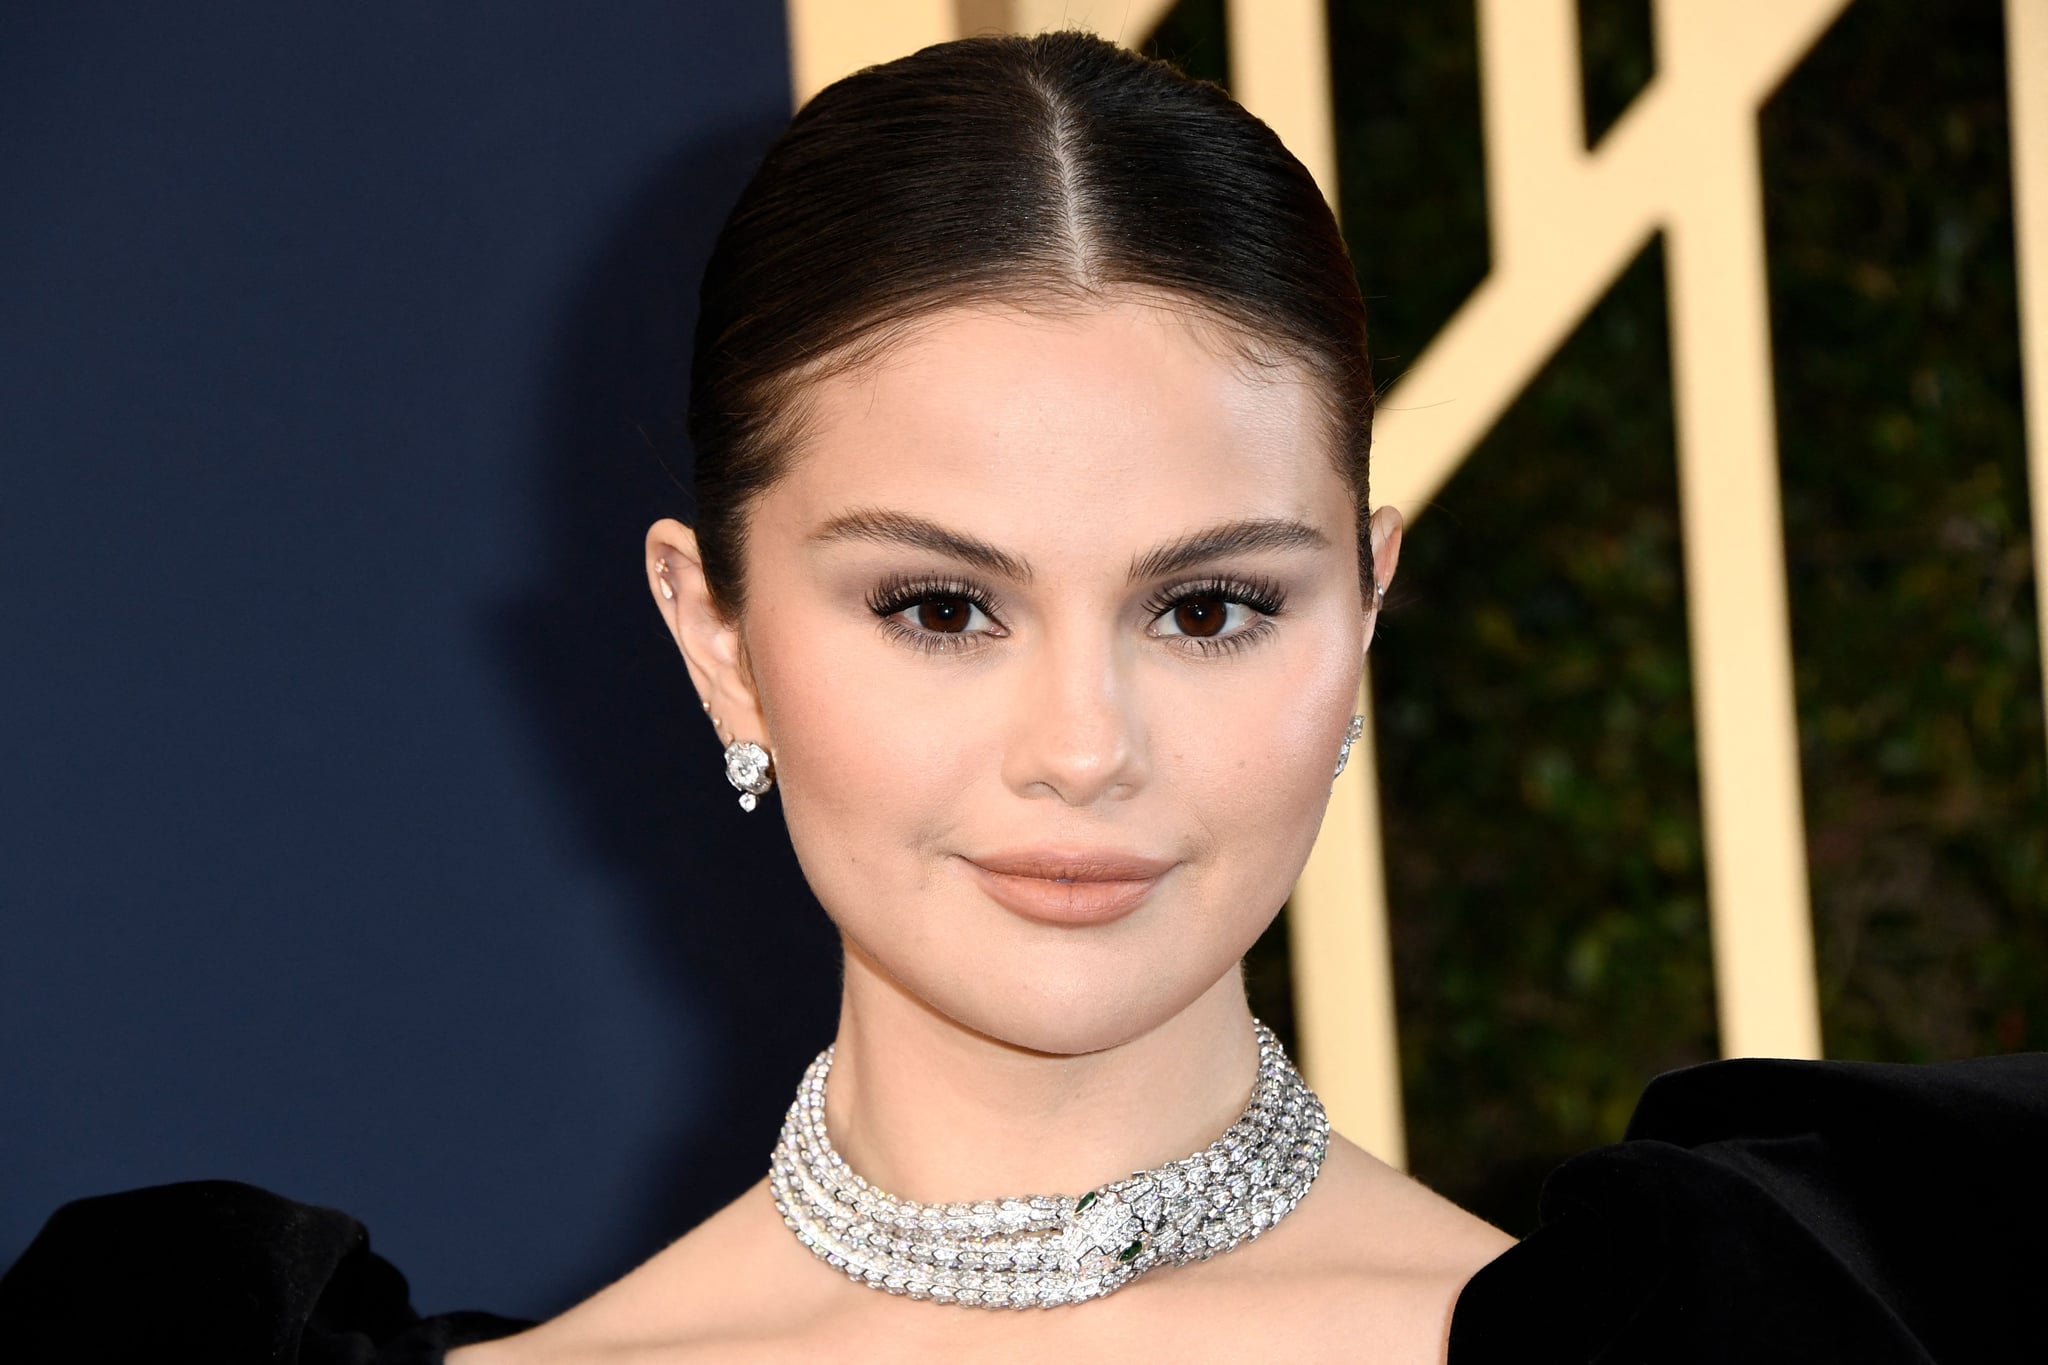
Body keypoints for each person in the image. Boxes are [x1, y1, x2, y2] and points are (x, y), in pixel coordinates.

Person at [2, 29, 2043, 1365]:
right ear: (713, 630)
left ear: (1366, 607)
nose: (1083, 741)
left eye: (1212, 606)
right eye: (941, 607)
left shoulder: (1788, 1336)